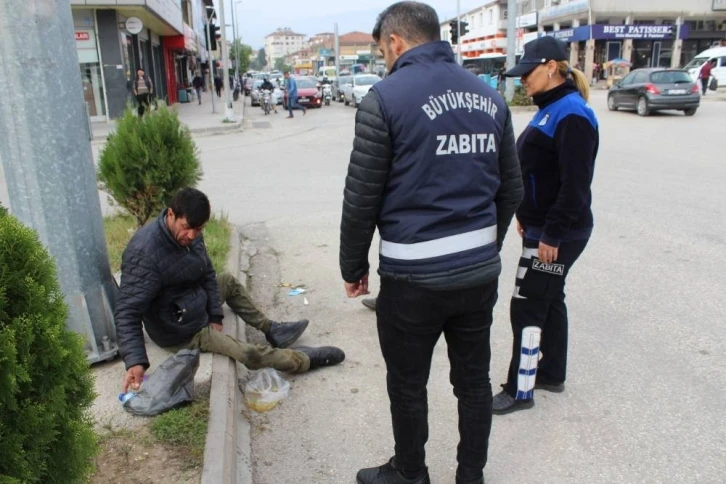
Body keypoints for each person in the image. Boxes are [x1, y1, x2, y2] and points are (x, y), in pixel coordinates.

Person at [339, 3, 523, 484]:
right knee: (474, 383)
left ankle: (411, 473)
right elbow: (512, 189)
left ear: (396, 42)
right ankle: (470, 476)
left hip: (411, 280)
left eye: (383, 51)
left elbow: (362, 199)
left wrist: (352, 266)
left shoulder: (385, 99)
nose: (384, 60)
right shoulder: (490, 98)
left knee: (407, 384)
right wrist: (486, 245)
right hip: (477, 276)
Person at [115, 188, 345, 393]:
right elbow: (127, 311)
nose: (192, 236)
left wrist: (215, 313)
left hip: (194, 301)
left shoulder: (191, 234)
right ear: (171, 215)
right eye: (187, 228)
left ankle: (271, 329)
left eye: (199, 229)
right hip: (180, 329)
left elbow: (206, 273)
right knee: (245, 353)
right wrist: (135, 361)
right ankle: (301, 360)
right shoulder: (144, 253)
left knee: (226, 280)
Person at [491, 36, 599, 415]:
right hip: (543, 229)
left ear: (551, 67)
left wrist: (551, 232)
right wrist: (526, 215)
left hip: (558, 235)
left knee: (528, 305)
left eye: (528, 73)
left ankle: (520, 390)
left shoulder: (571, 114)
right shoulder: (551, 108)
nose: (523, 80)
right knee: (549, 300)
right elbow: (540, 173)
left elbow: (575, 185)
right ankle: (551, 373)